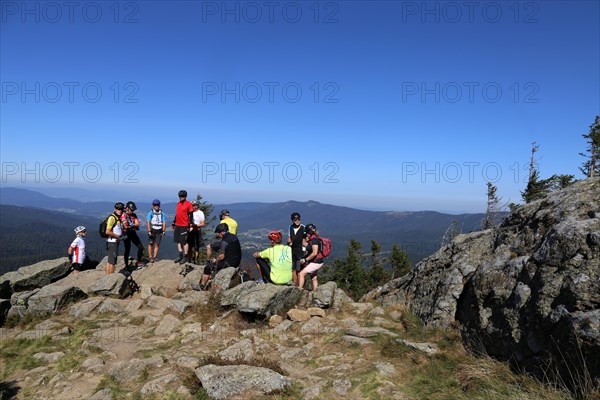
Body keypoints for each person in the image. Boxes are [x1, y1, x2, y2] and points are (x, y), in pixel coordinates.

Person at [199, 223, 242, 289]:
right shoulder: (233, 236)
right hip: (237, 261)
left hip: (229, 263)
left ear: (222, 232)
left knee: (207, 268)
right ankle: (211, 277)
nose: (217, 235)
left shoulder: (224, 241)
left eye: (218, 233)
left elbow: (221, 256)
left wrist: (215, 261)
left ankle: (201, 286)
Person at [297, 223, 324, 291]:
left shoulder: (315, 240)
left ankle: (299, 292)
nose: (306, 234)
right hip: (317, 262)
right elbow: (304, 244)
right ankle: (315, 293)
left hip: (316, 262)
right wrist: (303, 237)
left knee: (301, 274)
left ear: (309, 232)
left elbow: (314, 253)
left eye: (306, 232)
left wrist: (305, 259)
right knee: (313, 278)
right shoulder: (312, 239)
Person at [121, 201, 145, 270]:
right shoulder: (123, 215)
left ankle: (139, 263)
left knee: (141, 247)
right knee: (127, 249)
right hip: (126, 234)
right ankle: (126, 265)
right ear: (127, 208)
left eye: (133, 210)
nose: (133, 211)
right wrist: (132, 225)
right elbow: (125, 226)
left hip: (132, 233)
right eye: (132, 209)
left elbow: (138, 224)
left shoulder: (134, 215)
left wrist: (131, 225)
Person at [172, 190, 194, 264]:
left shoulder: (189, 204)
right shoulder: (178, 203)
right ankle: (180, 255)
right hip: (177, 224)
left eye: (182, 196)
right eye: (180, 196)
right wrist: (173, 222)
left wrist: (191, 224)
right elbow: (177, 214)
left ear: (185, 196)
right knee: (178, 241)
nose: (181, 197)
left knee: (184, 241)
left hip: (184, 225)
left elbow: (191, 215)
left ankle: (185, 257)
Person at [105, 202, 125, 275]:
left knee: (110, 261)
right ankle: (110, 278)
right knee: (112, 262)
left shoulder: (117, 218)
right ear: (115, 209)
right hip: (112, 242)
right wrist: (118, 236)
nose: (120, 211)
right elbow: (107, 231)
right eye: (118, 209)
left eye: (121, 209)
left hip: (113, 242)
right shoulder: (112, 218)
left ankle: (107, 277)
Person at [287, 212, 305, 285]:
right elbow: (289, 238)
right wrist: (288, 244)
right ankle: (295, 284)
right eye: (295, 220)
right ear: (292, 220)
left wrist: (304, 251)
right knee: (293, 269)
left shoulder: (304, 228)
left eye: (298, 219)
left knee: (299, 269)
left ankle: (301, 286)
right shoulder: (290, 227)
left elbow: (306, 240)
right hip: (292, 251)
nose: (297, 221)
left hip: (301, 252)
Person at [147, 199, 166, 263]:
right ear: (153, 205)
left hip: (159, 230)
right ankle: (150, 257)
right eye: (155, 205)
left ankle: (154, 257)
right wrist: (149, 231)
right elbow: (148, 222)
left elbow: (164, 222)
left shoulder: (162, 213)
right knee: (151, 243)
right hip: (152, 229)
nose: (156, 206)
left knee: (157, 244)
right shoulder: (150, 213)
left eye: (157, 205)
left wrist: (163, 230)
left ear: (159, 205)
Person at [187, 199, 206, 264]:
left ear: (197, 206)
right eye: (192, 205)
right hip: (189, 231)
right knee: (189, 247)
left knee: (197, 247)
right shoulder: (189, 212)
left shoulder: (200, 213)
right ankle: (189, 261)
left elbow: (203, 223)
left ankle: (196, 261)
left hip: (197, 231)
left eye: (194, 205)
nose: (193, 206)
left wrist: (195, 225)